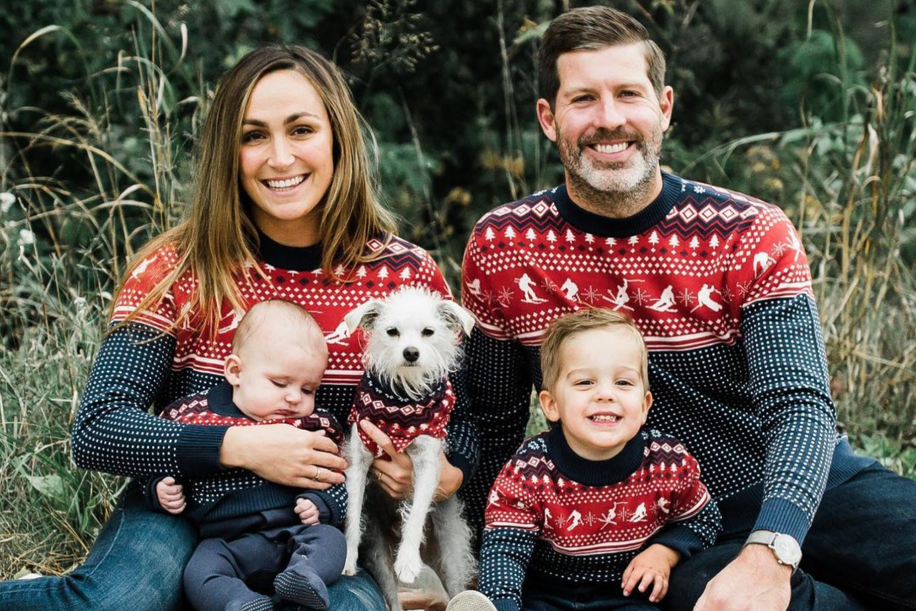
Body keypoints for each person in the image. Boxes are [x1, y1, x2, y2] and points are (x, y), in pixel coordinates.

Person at [460, 6, 916, 611]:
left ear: (665, 107)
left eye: (628, 93)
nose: (610, 119)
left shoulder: (749, 231)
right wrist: (480, 572)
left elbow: (799, 407)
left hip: (795, 480)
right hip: (664, 527)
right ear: (548, 118)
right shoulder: (503, 247)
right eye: (583, 100)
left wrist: (771, 549)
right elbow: (490, 426)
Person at [0, 44, 476, 611]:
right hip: (187, 507)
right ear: (229, 151)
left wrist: (444, 472)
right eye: (253, 136)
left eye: (301, 129)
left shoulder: (402, 277)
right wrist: (241, 446)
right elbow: (99, 428)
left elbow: (461, 419)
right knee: (112, 603)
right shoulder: (179, 268)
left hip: (317, 524)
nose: (280, 158)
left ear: (337, 139)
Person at [451, 308, 720, 611]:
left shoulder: (666, 462)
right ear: (551, 405)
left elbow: (703, 518)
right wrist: (502, 603)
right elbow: (505, 550)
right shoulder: (528, 471)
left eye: (623, 383)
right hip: (545, 594)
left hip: (625, 595)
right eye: (584, 383)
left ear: (644, 406)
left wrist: (664, 552)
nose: (605, 394)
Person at [148, 300, 346, 611]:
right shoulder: (192, 414)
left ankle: (304, 578)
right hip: (225, 542)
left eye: (309, 390)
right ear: (236, 371)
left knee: (332, 542)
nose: (295, 398)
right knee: (199, 574)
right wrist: (158, 487)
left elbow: (336, 473)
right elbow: (164, 455)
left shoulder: (315, 425)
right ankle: (239, 603)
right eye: (279, 383)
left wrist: (324, 504)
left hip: (295, 534)